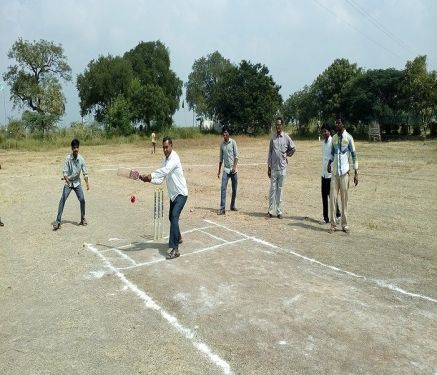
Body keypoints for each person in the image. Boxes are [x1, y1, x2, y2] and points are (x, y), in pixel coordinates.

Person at [140, 137, 188, 260]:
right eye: (163, 147)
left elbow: (164, 171)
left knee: (174, 216)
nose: (165, 150)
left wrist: (150, 175)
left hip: (181, 194)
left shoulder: (174, 158)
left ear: (171, 146)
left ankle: (175, 249)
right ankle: (178, 237)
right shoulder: (165, 160)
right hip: (173, 195)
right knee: (171, 217)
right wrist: (149, 180)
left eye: (167, 147)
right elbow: (160, 179)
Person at [327, 117, 358, 234]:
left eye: (339, 123)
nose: (336, 124)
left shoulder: (349, 138)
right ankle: (333, 225)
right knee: (333, 199)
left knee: (345, 199)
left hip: (345, 173)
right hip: (334, 174)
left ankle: (345, 225)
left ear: (343, 124)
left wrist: (356, 172)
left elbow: (354, 155)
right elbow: (332, 153)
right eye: (336, 122)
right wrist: (329, 163)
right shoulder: (334, 138)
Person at [53, 138, 89, 230]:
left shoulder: (81, 159)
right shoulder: (68, 158)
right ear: (71, 148)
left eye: (77, 147)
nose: (76, 149)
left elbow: (85, 173)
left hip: (77, 182)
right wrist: (67, 180)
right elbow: (64, 172)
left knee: (82, 200)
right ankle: (57, 222)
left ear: (78, 148)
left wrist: (87, 183)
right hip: (69, 183)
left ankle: (83, 218)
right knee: (63, 199)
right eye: (74, 148)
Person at [267, 117, 296, 219]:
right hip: (274, 168)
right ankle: (270, 211)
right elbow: (270, 152)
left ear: (282, 125)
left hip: (282, 168)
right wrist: (269, 168)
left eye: (279, 124)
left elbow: (293, 148)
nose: (277, 126)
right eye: (276, 125)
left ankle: (279, 211)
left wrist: (287, 154)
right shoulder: (273, 138)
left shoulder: (286, 137)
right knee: (272, 190)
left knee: (280, 190)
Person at [320, 123, 341, 224]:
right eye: (323, 131)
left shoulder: (333, 141)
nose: (324, 133)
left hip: (330, 174)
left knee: (332, 196)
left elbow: (335, 157)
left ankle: (337, 214)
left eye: (325, 131)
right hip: (323, 174)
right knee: (324, 196)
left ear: (329, 131)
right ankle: (325, 218)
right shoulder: (323, 143)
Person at [217, 125, 239, 215]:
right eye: (223, 132)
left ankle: (232, 206)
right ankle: (222, 209)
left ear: (229, 133)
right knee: (223, 188)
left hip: (234, 170)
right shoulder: (222, 145)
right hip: (226, 170)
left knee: (234, 189)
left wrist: (234, 167)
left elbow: (236, 156)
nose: (224, 134)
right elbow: (221, 159)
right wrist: (218, 171)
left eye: (226, 132)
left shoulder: (233, 142)